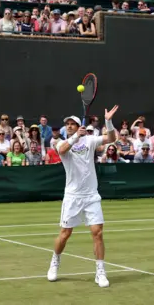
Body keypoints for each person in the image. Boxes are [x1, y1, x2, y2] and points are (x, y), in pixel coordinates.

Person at [47, 105, 118, 288]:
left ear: (80, 125)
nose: (69, 126)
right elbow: (62, 150)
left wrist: (108, 121)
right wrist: (76, 135)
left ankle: (100, 271)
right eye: (67, 124)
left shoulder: (90, 141)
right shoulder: (60, 142)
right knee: (65, 234)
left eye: (73, 124)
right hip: (72, 196)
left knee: (97, 233)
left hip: (91, 196)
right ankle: (55, 261)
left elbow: (111, 138)